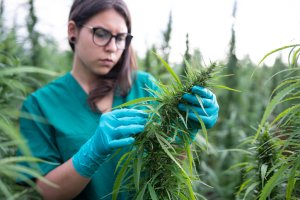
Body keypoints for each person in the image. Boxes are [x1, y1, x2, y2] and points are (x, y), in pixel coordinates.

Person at [19, 0, 219, 199]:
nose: (112, 47)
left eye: (121, 37)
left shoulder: (145, 87)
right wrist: (90, 153)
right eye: (101, 34)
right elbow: (41, 193)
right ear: (73, 30)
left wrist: (186, 129)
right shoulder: (39, 105)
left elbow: (165, 170)